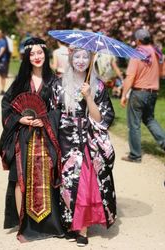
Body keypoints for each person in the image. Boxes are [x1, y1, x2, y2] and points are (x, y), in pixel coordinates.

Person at [0, 37, 64, 242]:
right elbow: (7, 106)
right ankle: (23, 225)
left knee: (47, 179)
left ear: (46, 54)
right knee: (20, 178)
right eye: (32, 53)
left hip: (46, 137)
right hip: (23, 137)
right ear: (27, 57)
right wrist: (20, 119)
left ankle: (49, 224)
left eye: (40, 53)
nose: (37, 57)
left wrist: (45, 120)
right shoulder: (19, 83)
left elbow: (61, 111)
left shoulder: (55, 82)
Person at [58, 47, 116, 246]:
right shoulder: (59, 84)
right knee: (67, 183)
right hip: (65, 140)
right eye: (77, 57)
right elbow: (52, 114)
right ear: (71, 59)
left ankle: (83, 229)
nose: (81, 61)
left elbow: (101, 119)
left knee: (84, 183)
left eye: (85, 57)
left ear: (91, 60)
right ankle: (71, 224)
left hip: (88, 141)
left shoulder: (98, 86)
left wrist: (89, 96)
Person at [120, 28, 165, 163]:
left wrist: (123, 95)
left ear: (138, 40)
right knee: (150, 119)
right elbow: (162, 74)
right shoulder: (157, 53)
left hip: (139, 93)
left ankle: (135, 155)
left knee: (134, 124)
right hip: (153, 93)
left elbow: (130, 76)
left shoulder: (137, 54)